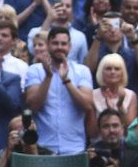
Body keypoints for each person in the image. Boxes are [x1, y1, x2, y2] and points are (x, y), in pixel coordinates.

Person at [23, 26, 94, 154]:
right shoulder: (35, 70)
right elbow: (33, 105)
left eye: (63, 44)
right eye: (55, 43)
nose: (59, 47)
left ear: (70, 46)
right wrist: (48, 76)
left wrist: (67, 81)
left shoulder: (82, 71)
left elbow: (88, 105)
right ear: (48, 45)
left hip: (74, 147)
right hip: (44, 146)